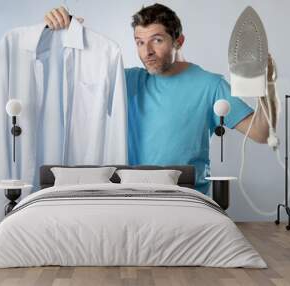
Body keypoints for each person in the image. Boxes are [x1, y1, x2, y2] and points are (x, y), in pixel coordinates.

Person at [44, 3, 275, 194]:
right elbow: (76, 83)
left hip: (186, 196)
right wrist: (67, 31)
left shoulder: (211, 85)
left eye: (157, 40)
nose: (147, 52)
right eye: (140, 42)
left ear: (178, 41)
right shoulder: (127, 81)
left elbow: (262, 133)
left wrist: (269, 86)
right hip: (129, 196)